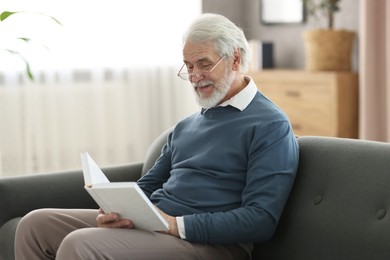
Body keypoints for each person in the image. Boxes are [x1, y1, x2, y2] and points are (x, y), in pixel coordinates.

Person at [14, 13, 299, 260]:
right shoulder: (187, 126)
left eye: (204, 63)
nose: (195, 75)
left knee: (80, 244)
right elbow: (147, 186)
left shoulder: (270, 125)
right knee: (36, 225)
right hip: (157, 225)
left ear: (235, 58)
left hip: (212, 245)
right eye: (188, 66)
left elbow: (260, 220)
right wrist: (117, 210)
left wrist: (174, 225)